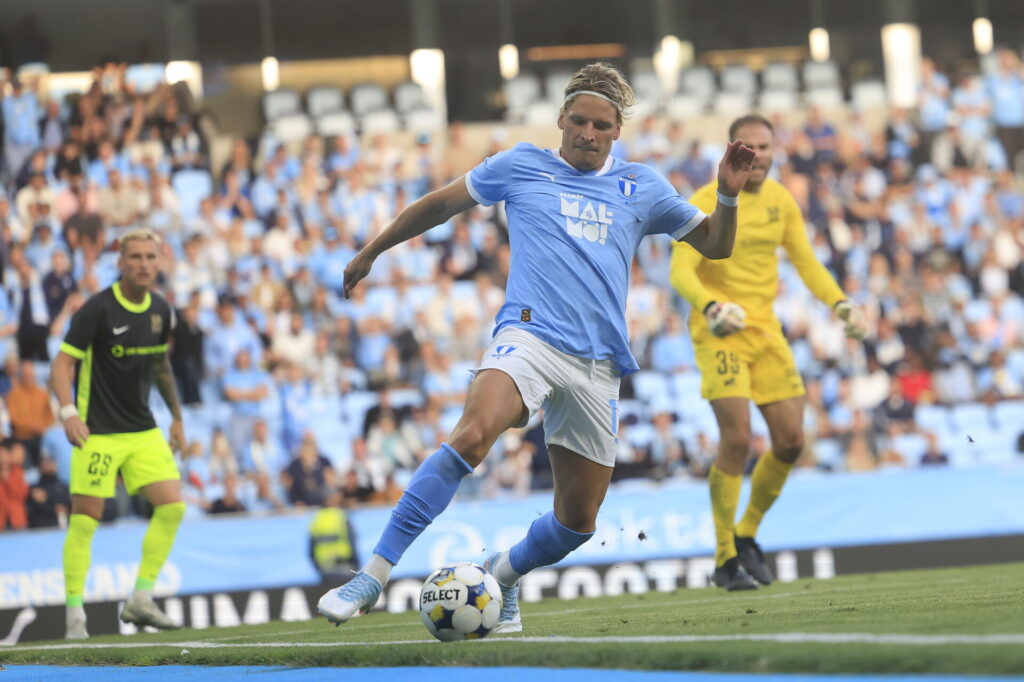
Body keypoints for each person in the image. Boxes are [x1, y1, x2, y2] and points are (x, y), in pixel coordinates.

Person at [317, 62, 753, 632]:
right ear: (561, 119)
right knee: (472, 434)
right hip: (529, 336)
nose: (588, 134)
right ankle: (372, 575)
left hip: (597, 363)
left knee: (577, 522)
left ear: (617, 130)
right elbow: (442, 203)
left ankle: (501, 574)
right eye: (579, 122)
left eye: (601, 125)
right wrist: (373, 250)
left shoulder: (642, 186)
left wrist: (726, 191)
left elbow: (716, 246)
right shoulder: (520, 165)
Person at [669, 114, 867, 591]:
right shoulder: (702, 201)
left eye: (765, 146)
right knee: (737, 439)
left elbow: (805, 260)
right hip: (718, 328)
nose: (757, 155)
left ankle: (747, 533)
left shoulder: (782, 202)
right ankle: (723, 559)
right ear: (733, 149)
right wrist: (711, 305)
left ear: (776, 151)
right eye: (749, 146)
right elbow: (680, 272)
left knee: (792, 441)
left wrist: (840, 303)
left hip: (766, 330)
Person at [50, 228, 186, 638]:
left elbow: (161, 367)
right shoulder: (97, 310)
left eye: (151, 256)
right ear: (121, 262)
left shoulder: (162, 309)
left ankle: (141, 599)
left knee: (173, 508)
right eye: (136, 257)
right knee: (84, 523)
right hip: (99, 433)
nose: (144, 264)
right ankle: (75, 615)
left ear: (159, 261)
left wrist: (177, 418)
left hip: (143, 429)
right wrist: (69, 412)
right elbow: (60, 364)